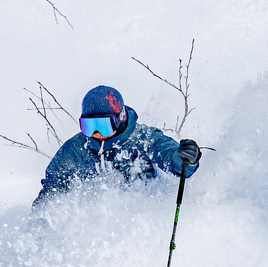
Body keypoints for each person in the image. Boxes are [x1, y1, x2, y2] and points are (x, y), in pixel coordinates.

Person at [32, 85, 201, 209]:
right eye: (89, 126)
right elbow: (52, 187)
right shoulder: (76, 148)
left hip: (142, 215)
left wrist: (185, 159)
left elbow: (172, 160)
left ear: (120, 118)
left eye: (104, 125)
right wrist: (43, 218)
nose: (97, 132)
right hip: (94, 225)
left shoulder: (144, 139)